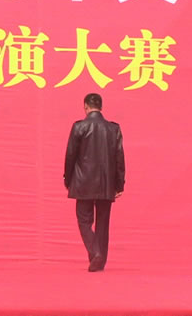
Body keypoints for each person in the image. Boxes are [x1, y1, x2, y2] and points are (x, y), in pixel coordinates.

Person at [64, 93, 125, 272]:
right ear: (101, 107)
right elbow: (119, 158)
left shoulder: (79, 127)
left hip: (83, 182)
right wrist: (119, 184)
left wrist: (68, 179)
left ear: (85, 106)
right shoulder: (113, 129)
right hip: (106, 183)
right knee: (103, 223)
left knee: (84, 220)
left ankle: (95, 252)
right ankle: (100, 260)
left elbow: (70, 156)